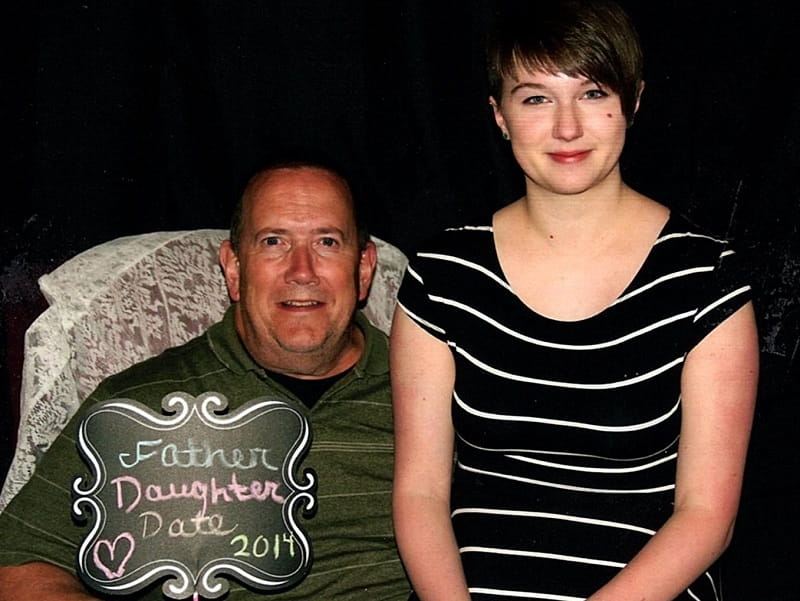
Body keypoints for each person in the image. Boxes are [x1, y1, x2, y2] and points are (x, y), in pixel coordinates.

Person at [390, 1, 759, 600]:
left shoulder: (707, 279)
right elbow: (420, 493)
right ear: (500, 115)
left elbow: (706, 516)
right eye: (535, 98)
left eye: (592, 93)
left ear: (633, 103)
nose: (566, 128)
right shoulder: (441, 276)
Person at [0, 159, 411, 600]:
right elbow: (19, 563)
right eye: (273, 242)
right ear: (234, 269)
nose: (302, 270)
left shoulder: (434, 390)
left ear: (364, 269)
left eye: (327, 242)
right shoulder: (138, 404)